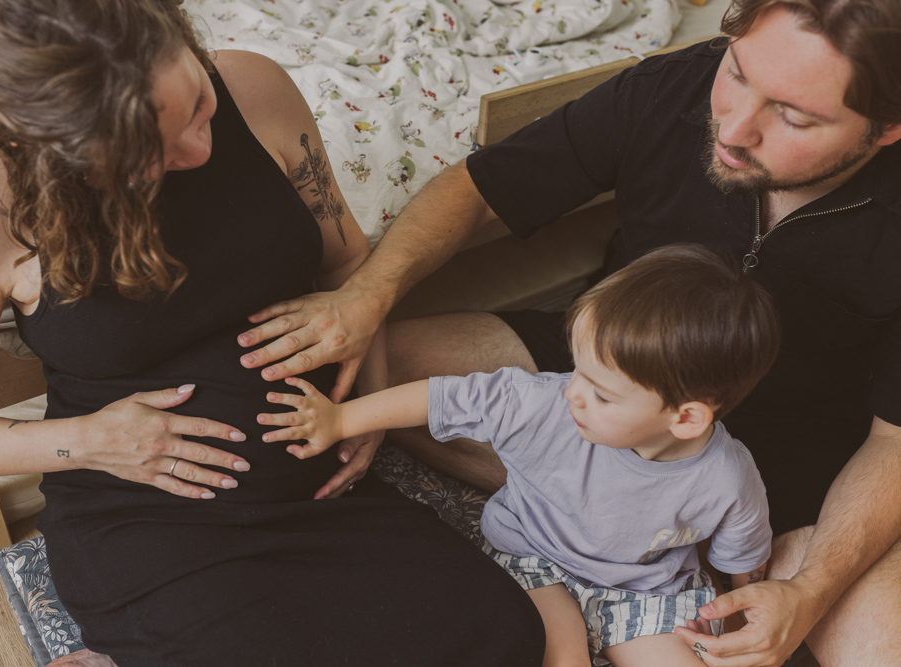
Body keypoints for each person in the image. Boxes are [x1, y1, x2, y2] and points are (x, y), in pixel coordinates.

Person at [234, 0, 901, 664]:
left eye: (792, 115)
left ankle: (646, 545)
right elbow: (478, 187)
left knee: (875, 642)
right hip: (615, 366)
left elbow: (893, 441)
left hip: (800, 462)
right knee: (369, 371)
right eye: (738, 71)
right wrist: (365, 295)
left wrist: (811, 590)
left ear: (886, 129)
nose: (733, 125)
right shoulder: (671, 88)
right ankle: (593, 528)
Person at [0, 0, 547, 664]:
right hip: (152, 519)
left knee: (506, 637)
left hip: (322, 495)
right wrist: (84, 440)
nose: (200, 149)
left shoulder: (254, 88)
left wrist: (367, 402)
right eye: (147, 159)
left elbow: (349, 263)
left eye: (200, 108)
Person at [257, 245, 780, 667]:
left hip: (646, 588)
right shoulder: (543, 403)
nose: (574, 392)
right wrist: (340, 420)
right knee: (560, 659)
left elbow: (742, 562)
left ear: (685, 419)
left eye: (601, 393)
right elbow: (440, 396)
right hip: (536, 557)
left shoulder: (728, 477)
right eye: (578, 370)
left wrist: (737, 616)